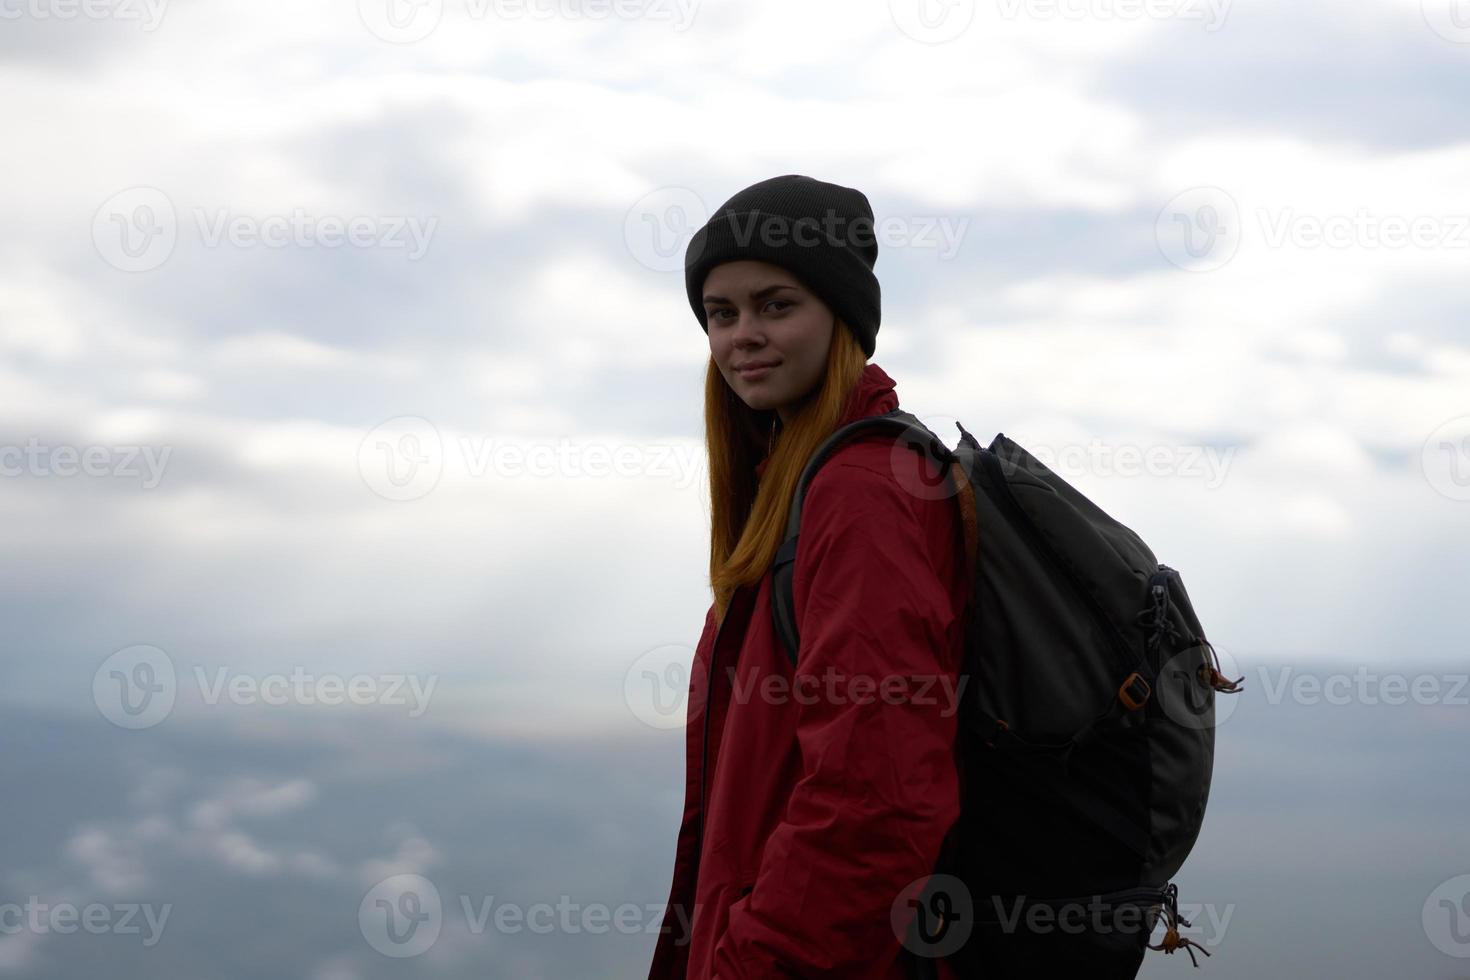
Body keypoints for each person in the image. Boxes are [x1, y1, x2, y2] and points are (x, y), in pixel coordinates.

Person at [646, 175, 971, 980]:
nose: (741, 336)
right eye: (720, 314)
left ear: (842, 316)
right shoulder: (800, 487)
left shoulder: (861, 495)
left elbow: (878, 803)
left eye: (775, 305)